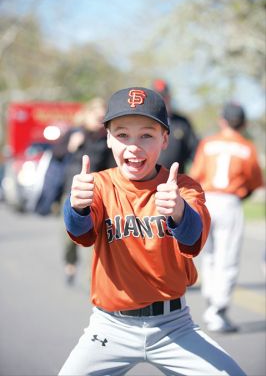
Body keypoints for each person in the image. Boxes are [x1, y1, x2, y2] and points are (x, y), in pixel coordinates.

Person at [59, 87, 246, 375]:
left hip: (173, 326)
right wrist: (77, 207)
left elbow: (193, 240)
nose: (134, 146)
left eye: (146, 135)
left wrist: (179, 212)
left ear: (165, 140)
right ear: (108, 138)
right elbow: (80, 233)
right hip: (111, 326)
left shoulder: (183, 188)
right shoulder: (98, 185)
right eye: (122, 134)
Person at [190, 102, 264, 333]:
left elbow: (196, 174)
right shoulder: (247, 146)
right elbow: (254, 182)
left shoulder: (208, 143)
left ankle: (212, 302)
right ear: (242, 123)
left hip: (207, 199)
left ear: (222, 120)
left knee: (209, 254)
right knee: (227, 256)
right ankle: (218, 310)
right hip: (230, 201)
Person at [52, 97, 115, 283]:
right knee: (67, 234)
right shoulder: (74, 133)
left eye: (102, 118)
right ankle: (70, 263)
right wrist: (71, 146)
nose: (99, 120)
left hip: (97, 192)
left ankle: (94, 277)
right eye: (96, 116)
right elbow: (56, 154)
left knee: (97, 236)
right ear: (87, 115)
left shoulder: (107, 140)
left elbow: (113, 167)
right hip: (72, 190)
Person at [152, 79, 198, 172]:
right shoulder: (145, 121)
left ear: (169, 97)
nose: (161, 100)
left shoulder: (182, 122)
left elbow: (195, 153)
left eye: (164, 96)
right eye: (157, 97)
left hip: (177, 180)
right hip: (147, 181)